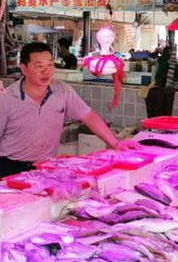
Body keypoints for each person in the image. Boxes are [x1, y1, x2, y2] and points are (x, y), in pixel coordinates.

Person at [0, 42, 139, 178]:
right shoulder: (7, 98)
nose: (46, 71)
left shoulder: (62, 90)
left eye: (50, 65)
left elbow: (89, 116)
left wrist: (115, 143)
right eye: (39, 66)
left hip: (45, 168)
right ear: (24, 69)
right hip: (9, 168)